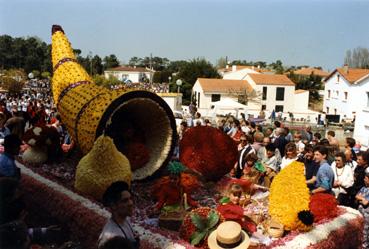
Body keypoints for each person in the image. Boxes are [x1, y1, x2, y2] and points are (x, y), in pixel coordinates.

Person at [98, 181, 139, 249]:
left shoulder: (126, 219)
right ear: (113, 205)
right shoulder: (111, 237)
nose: (131, 203)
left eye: (130, 199)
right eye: (125, 201)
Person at [355, 171, 369, 248]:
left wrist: (361, 198)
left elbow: (365, 203)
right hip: (360, 212)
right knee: (359, 229)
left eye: (366, 178)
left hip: (367, 215)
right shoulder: (363, 188)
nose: (364, 179)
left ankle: (365, 246)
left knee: (365, 231)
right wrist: (362, 198)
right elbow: (356, 196)